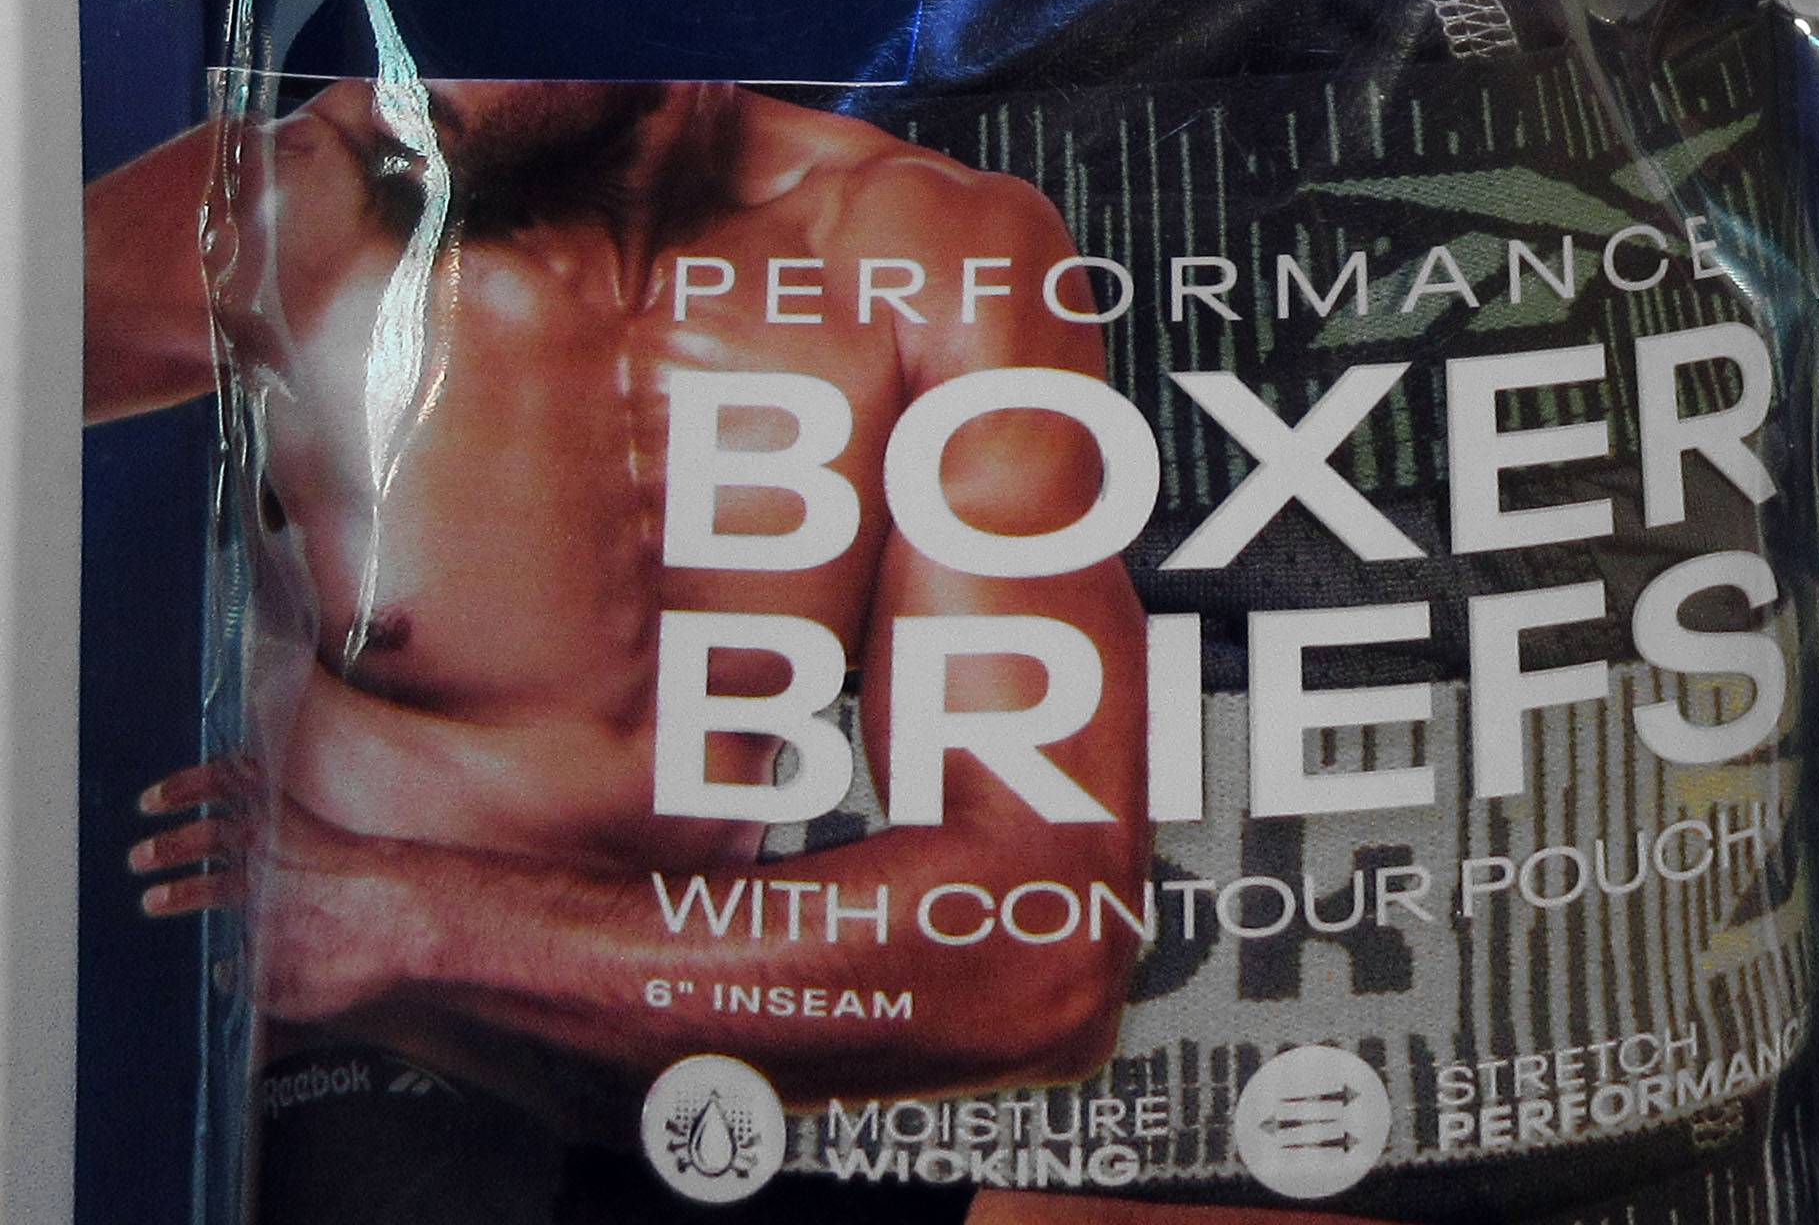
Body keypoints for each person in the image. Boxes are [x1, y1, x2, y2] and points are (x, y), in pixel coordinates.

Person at [89, 77, 1150, 1217]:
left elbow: (1046, 955)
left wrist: (410, 916)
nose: (425, 68)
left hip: (702, 1100)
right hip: (357, 1094)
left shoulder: (933, 254)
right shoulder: (302, 191)